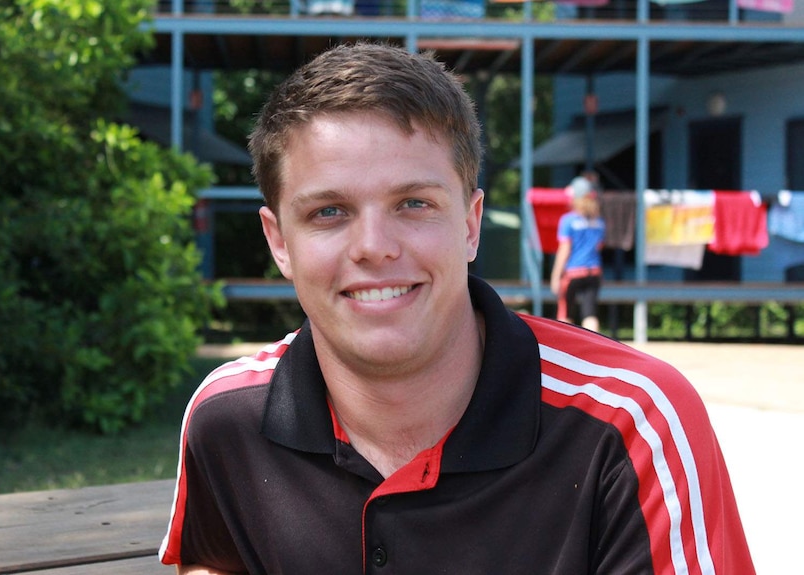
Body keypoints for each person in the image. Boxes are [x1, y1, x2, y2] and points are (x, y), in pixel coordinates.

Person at [159, 42, 755, 574]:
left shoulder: (633, 422)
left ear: (470, 226)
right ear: (279, 242)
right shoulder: (226, 422)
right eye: (329, 212)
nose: (374, 247)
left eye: (413, 203)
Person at [550, 174, 606, 332]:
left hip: (573, 273)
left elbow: (564, 250)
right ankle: (594, 350)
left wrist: (556, 276)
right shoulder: (599, 221)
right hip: (594, 272)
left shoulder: (568, 220)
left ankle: (564, 350)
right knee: (590, 314)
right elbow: (599, 246)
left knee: (565, 313)